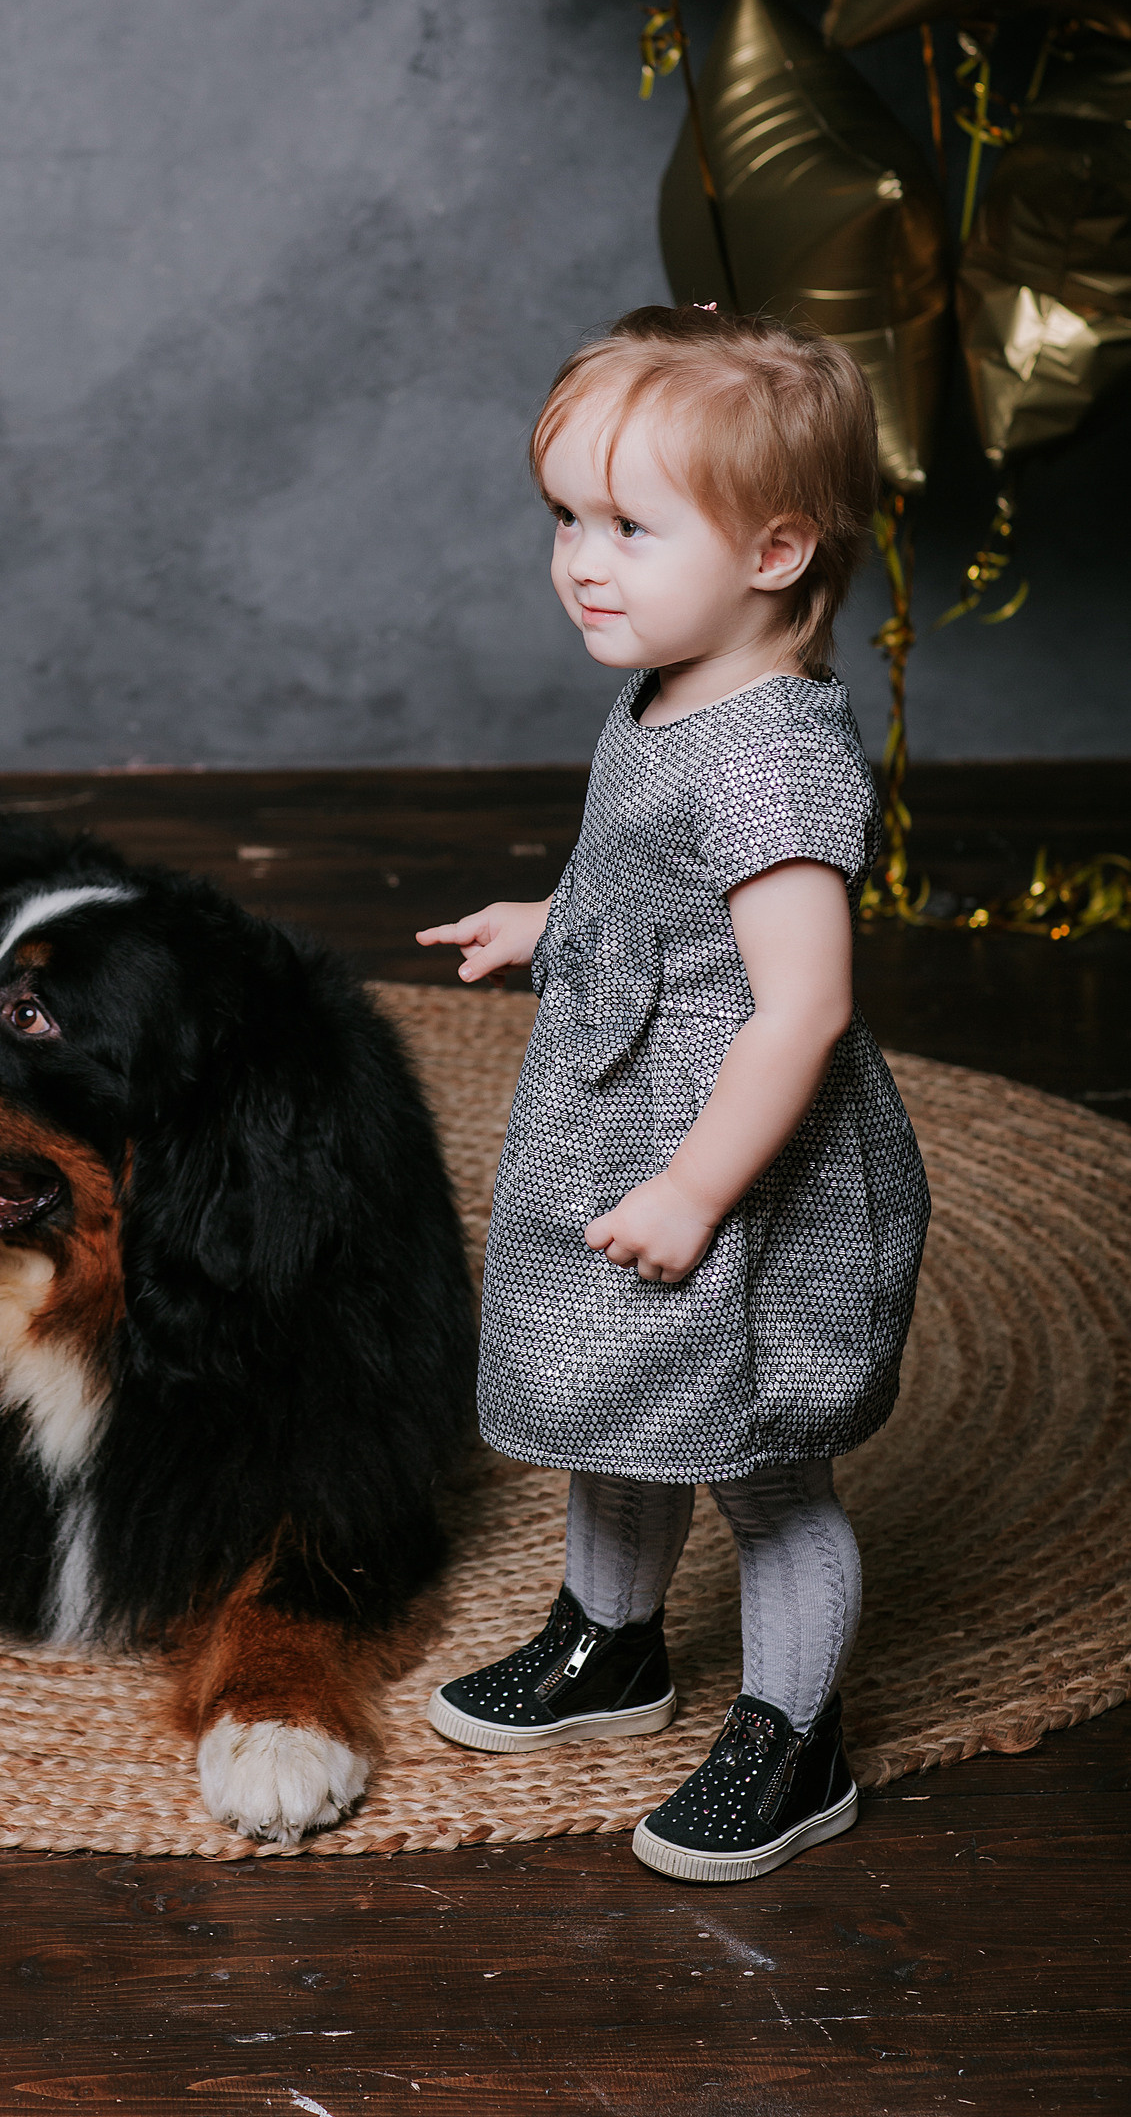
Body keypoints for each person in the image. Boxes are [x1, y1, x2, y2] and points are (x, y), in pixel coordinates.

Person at [418, 303, 929, 1884]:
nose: (582, 558)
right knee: (615, 1406)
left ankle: (795, 1739)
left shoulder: (773, 759)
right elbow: (656, 879)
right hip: (630, 1118)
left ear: (775, 551)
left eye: (630, 526)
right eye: (567, 517)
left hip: (737, 1164)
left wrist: (701, 1189)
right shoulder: (670, 688)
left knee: (759, 1459)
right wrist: (554, 921)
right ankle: (611, 1644)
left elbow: (804, 1003)